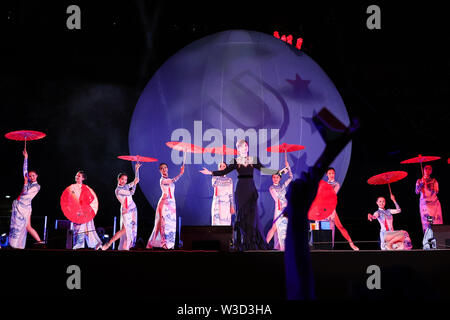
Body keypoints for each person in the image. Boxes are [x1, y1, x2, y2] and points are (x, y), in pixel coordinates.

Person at [200, 139, 277, 251]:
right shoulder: (235, 161)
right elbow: (224, 172)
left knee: (252, 215)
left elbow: (264, 169)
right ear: (238, 149)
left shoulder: (253, 159)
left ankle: (252, 241)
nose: (245, 147)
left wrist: (277, 172)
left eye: (246, 146)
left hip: (251, 188)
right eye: (242, 146)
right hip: (241, 189)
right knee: (242, 215)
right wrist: (211, 172)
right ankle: (242, 242)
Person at [9, 149, 44, 249]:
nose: (31, 177)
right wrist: (26, 158)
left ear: (36, 176)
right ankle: (40, 242)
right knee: (27, 227)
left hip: (24, 208)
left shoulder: (37, 186)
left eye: (33, 175)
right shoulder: (28, 181)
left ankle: (17, 244)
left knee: (22, 226)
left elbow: (25, 193)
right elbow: (25, 170)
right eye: (30, 176)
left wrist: (25, 183)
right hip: (21, 206)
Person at [102, 163, 141, 250]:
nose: (124, 181)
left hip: (133, 209)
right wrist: (134, 184)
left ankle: (128, 246)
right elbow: (132, 192)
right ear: (118, 179)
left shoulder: (126, 186)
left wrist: (137, 169)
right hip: (126, 210)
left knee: (133, 228)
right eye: (122, 179)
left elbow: (136, 180)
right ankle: (109, 243)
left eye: (125, 180)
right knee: (124, 230)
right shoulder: (118, 190)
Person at [147, 162, 184, 249]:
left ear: (167, 169)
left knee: (168, 224)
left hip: (171, 203)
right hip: (164, 204)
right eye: (162, 168)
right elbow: (173, 180)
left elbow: (172, 182)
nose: (164, 169)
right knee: (163, 224)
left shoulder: (168, 179)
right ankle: (164, 243)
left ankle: (153, 243)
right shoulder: (162, 180)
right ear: (160, 170)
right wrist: (181, 173)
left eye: (165, 168)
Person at [321, 167, 359, 250]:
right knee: (323, 229)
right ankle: (323, 247)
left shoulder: (336, 184)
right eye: (330, 173)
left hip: (331, 209)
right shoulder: (324, 185)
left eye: (333, 173)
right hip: (323, 209)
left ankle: (351, 243)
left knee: (340, 227)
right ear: (327, 175)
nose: (331, 175)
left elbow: (332, 194)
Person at [69, 171, 103, 250]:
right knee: (81, 229)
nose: (77, 177)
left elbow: (91, 198)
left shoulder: (84, 188)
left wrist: (84, 206)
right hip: (76, 211)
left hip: (84, 211)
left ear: (83, 178)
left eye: (79, 176)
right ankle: (93, 245)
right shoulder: (73, 187)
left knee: (83, 228)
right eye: (76, 175)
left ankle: (80, 245)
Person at [266, 160, 293, 251]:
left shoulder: (283, 186)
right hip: (279, 210)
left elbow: (291, 177)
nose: (275, 179)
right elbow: (277, 198)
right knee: (274, 228)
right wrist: (285, 203)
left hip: (285, 210)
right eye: (274, 177)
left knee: (281, 228)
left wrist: (288, 168)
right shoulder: (271, 188)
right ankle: (265, 244)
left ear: (280, 178)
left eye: (277, 177)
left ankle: (281, 246)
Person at [415, 165, 443, 232]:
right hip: (425, 204)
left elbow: (436, 191)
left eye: (429, 169)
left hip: (434, 203)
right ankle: (430, 236)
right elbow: (416, 191)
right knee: (429, 222)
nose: (427, 170)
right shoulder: (419, 181)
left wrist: (428, 186)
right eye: (426, 168)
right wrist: (422, 184)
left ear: (431, 171)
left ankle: (438, 236)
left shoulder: (434, 180)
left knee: (436, 221)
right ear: (423, 170)